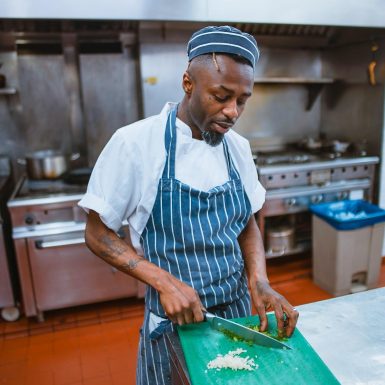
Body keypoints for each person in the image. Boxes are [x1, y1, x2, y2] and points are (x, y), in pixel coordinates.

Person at [79, 25, 299, 385]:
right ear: (187, 83)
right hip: (174, 324)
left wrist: (259, 279)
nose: (232, 112)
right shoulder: (136, 144)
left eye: (242, 100)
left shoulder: (237, 148)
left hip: (238, 317)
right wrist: (163, 282)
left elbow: (246, 223)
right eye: (221, 96)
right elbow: (97, 232)